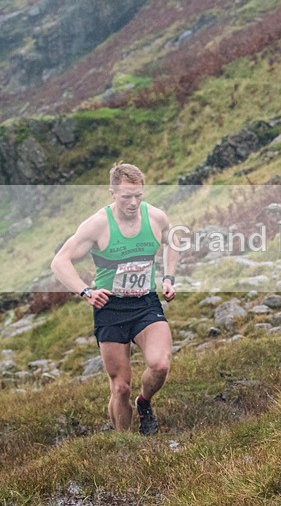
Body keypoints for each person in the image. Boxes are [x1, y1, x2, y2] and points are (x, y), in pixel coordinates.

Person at [51, 163, 178, 435]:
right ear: (112, 193)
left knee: (160, 364)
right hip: (110, 307)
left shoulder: (155, 217)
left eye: (138, 196)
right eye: (126, 197)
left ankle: (144, 402)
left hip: (145, 303)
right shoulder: (97, 225)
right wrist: (86, 291)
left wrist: (169, 278)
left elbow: (173, 241)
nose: (133, 203)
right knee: (120, 386)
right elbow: (59, 261)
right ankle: (124, 443)